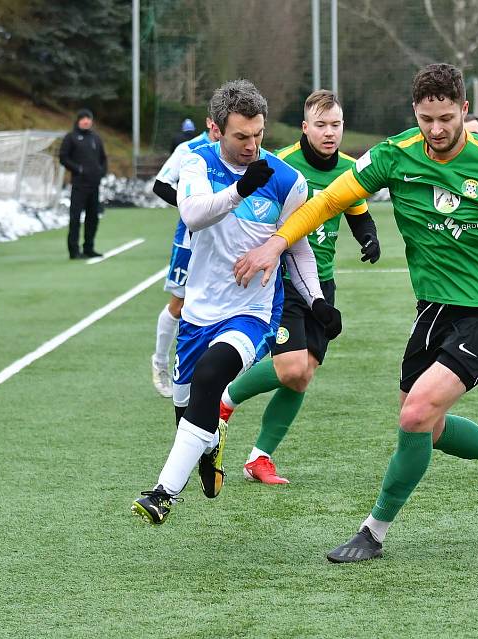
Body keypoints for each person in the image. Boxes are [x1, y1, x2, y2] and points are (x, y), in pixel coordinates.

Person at [233, 63, 478, 562]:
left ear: (464, 110)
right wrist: (276, 244)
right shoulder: (394, 156)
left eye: (447, 118)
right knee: (428, 427)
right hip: (432, 311)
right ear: (415, 112)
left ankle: (373, 532)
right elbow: (328, 202)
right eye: (426, 118)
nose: (436, 129)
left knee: (414, 415)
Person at [131, 80, 342, 525]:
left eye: (259, 135)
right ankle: (209, 449)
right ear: (215, 129)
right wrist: (241, 190)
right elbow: (192, 214)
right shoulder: (196, 163)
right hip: (198, 311)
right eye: (240, 137)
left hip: (253, 310)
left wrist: (318, 300)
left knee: (212, 377)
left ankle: (163, 494)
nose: (252, 146)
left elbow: (296, 246)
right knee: (189, 407)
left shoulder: (286, 180)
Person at [218, 89, 381, 484]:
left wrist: (369, 237)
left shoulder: (348, 168)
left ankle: (259, 458)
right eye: (321, 125)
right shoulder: (281, 165)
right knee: (291, 367)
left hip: (322, 282)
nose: (330, 133)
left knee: (303, 374)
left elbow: (358, 212)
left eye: (336, 125)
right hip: (284, 280)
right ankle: (225, 399)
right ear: (305, 127)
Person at [150, 116, 220, 398]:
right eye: (216, 124)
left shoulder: (236, 148)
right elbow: (160, 185)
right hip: (190, 238)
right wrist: (192, 205)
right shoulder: (189, 149)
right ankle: (160, 362)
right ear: (209, 123)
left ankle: (211, 369)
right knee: (179, 304)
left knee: (217, 300)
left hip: (225, 238)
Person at [59, 108, 107, 259]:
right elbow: (63, 157)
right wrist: (78, 169)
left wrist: (101, 171)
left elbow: (103, 158)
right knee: (75, 218)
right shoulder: (71, 137)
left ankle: (89, 247)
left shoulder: (96, 138)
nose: (86, 121)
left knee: (93, 218)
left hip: (94, 185)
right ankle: (74, 250)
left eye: (88, 118)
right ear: (78, 121)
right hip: (79, 185)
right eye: (83, 118)